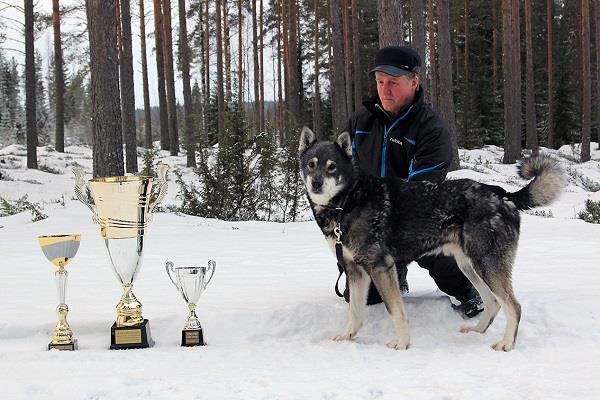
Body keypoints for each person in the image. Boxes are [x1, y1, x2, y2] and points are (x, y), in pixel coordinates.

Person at [340, 46, 483, 318]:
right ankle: (396, 272)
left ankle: (468, 289)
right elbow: (345, 173)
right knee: (362, 297)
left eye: (393, 83)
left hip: (420, 220)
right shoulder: (361, 120)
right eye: (380, 82)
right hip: (371, 222)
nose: (385, 90)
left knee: (445, 257)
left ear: (414, 82)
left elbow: (420, 193)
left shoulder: (430, 129)